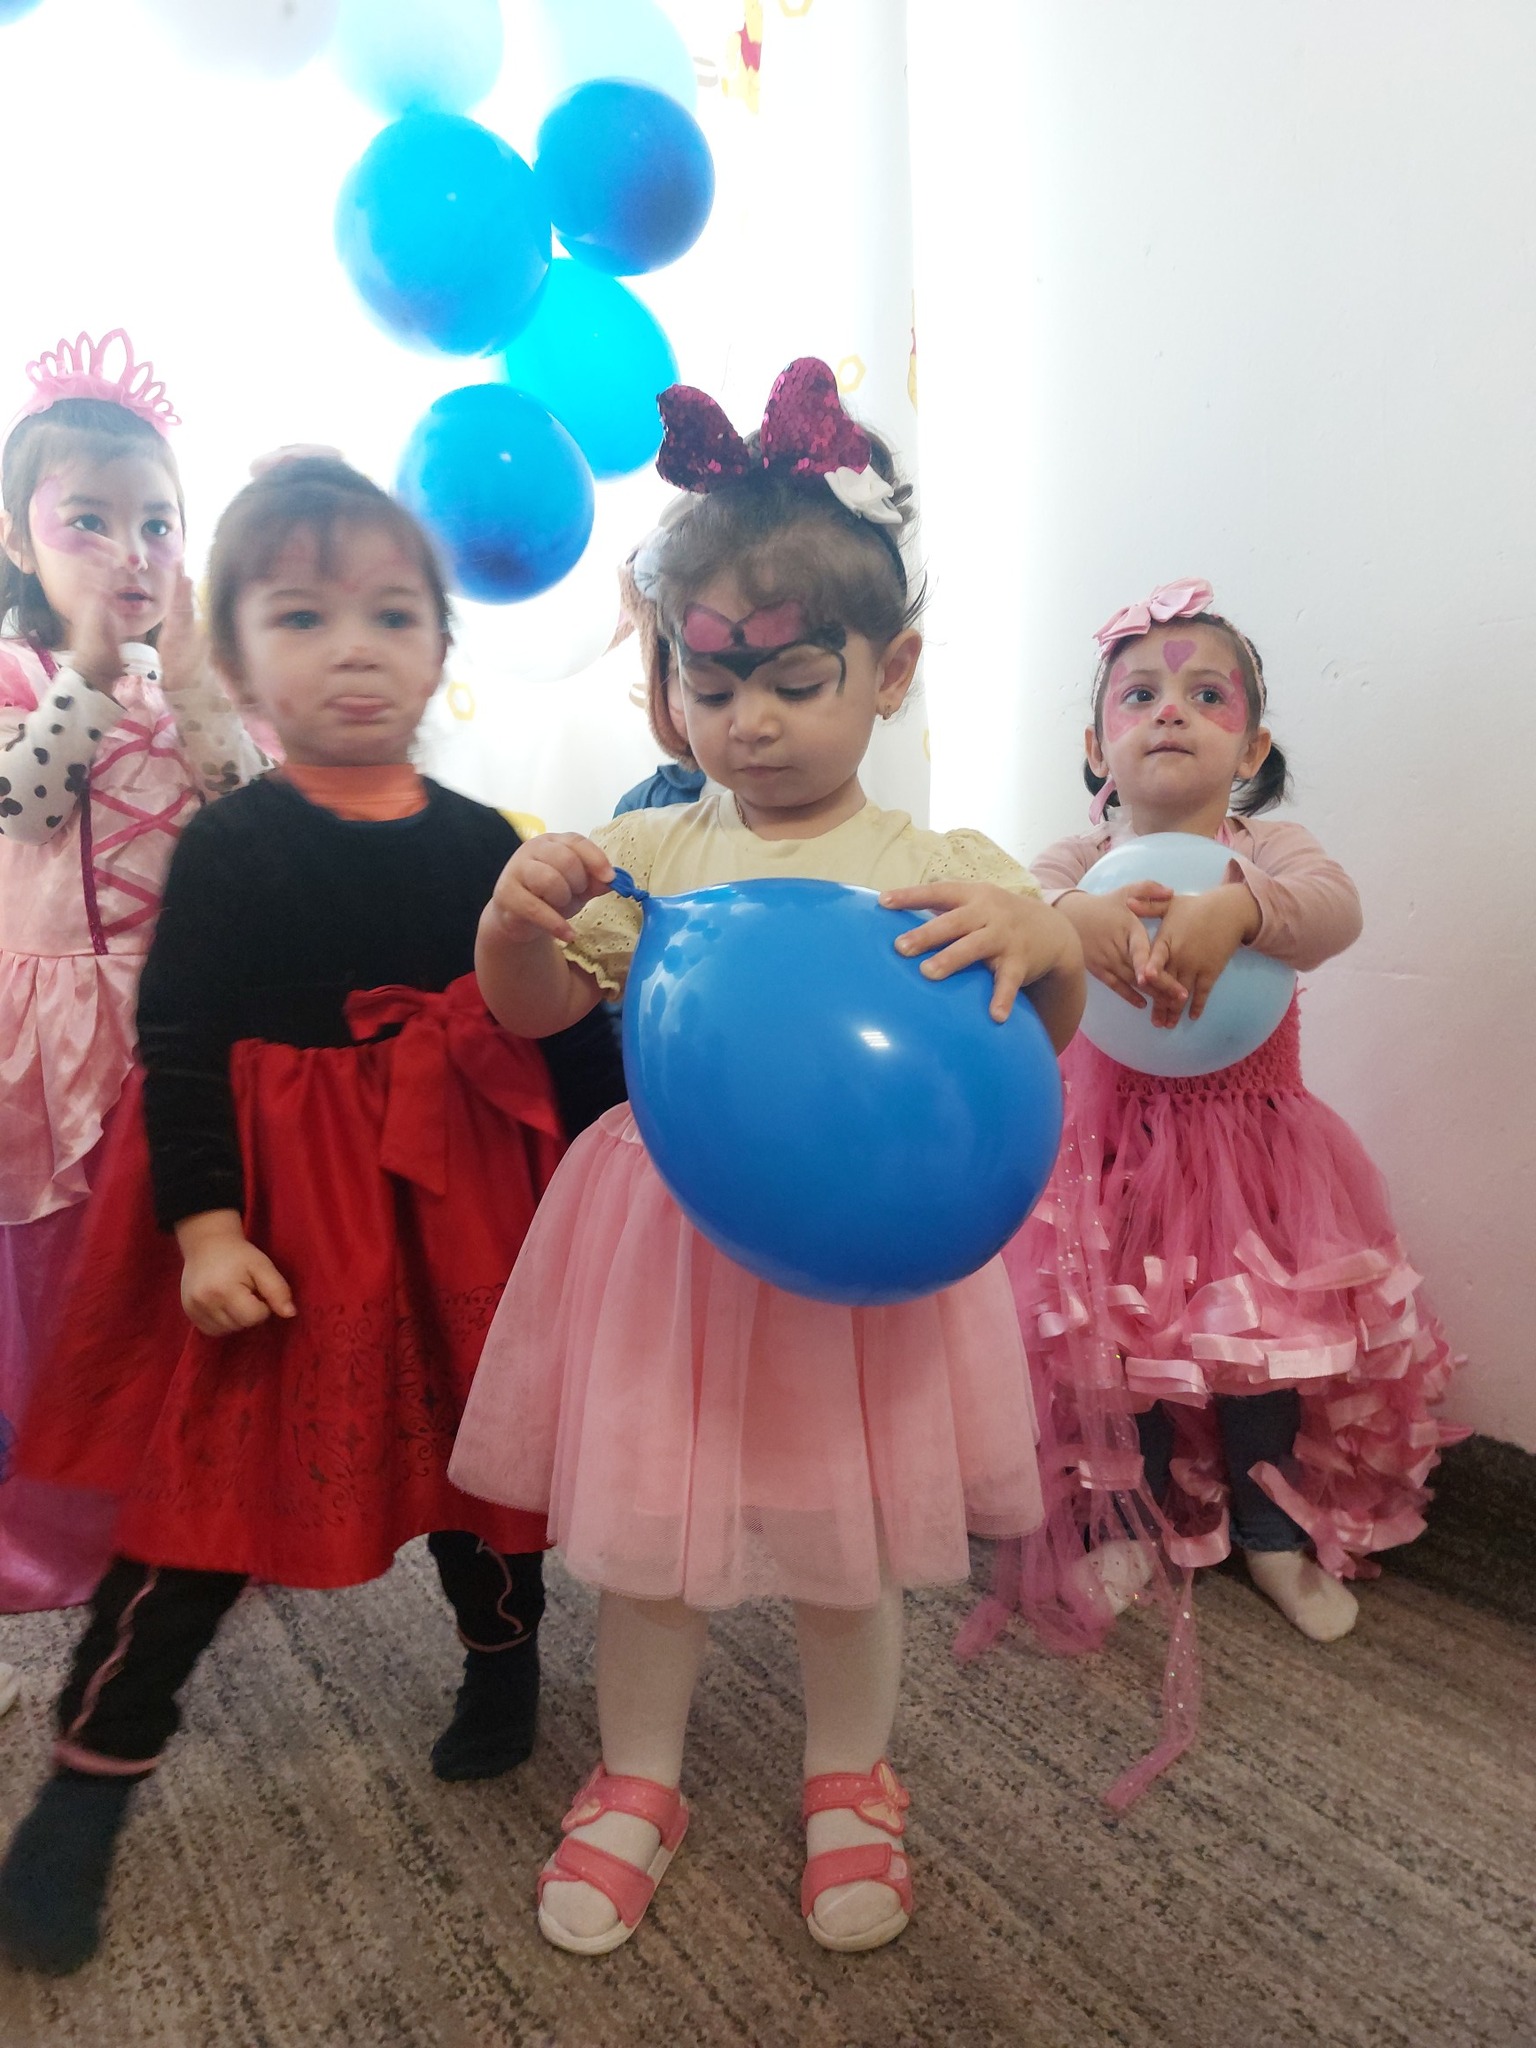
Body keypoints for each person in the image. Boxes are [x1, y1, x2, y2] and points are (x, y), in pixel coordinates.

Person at [449, 359, 1084, 1955]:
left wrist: (1051, 940)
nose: (753, 721)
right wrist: (512, 923)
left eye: (799, 679)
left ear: (892, 670)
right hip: (673, 1242)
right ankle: (637, 1775)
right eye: (712, 683)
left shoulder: (935, 863)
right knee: (649, 1540)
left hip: (867, 1258)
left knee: (843, 1538)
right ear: (671, 679)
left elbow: (1033, 1039)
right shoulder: (648, 849)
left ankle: (850, 1776)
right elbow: (534, 1011)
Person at [0, 456, 625, 1976]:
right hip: (276, 1220)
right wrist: (207, 1228)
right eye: (302, 615)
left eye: (391, 614)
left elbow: (552, 1026)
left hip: (454, 1199)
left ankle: (502, 1656)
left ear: (439, 647)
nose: (354, 647)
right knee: (200, 1503)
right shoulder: (230, 845)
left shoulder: (482, 840)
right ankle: (88, 1786)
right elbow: (179, 1045)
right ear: (233, 658)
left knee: (478, 1453)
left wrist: (628, 1154)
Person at [967, 578, 1464, 1805]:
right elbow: (1017, 904)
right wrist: (1071, 915)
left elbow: (1336, 911)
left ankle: (1273, 1528)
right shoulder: (1078, 859)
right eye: (1139, 694)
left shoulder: (1267, 856)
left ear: (1252, 746)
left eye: (1207, 694)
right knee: (1125, 1349)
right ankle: (1128, 1520)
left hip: (1252, 1155)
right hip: (1113, 1155)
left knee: (1259, 1355)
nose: (1171, 711)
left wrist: (1239, 907)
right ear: (1098, 748)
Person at [0, 332, 267, 1646]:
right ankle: (55, 1532)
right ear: (18, 538)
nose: (130, 551)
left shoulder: (192, 686)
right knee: (65, 1284)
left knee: (176, 1262)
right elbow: (25, 803)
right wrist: (92, 676)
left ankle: (190, 1511)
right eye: (89, 521)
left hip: (183, 1025)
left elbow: (256, 822)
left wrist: (201, 687)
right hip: (55, 1023)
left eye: (157, 522)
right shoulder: (19, 678)